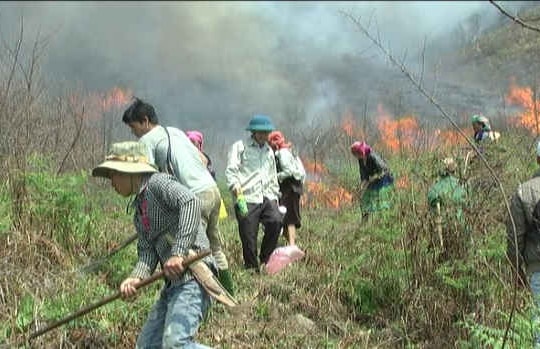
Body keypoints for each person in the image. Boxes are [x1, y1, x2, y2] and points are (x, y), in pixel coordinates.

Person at [92, 141, 213, 348]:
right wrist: (134, 278)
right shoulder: (140, 210)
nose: (112, 183)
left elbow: (191, 202)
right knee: (147, 345)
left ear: (129, 172)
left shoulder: (158, 183)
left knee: (176, 344)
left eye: (114, 175)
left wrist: (178, 252)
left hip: (193, 276)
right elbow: (147, 253)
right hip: (173, 282)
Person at [122, 98, 234, 294]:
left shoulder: (147, 141)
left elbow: (145, 177)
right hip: (212, 189)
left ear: (145, 121)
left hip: (194, 196)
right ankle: (230, 295)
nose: (134, 133)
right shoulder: (174, 132)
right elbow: (202, 158)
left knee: (194, 253)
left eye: (134, 127)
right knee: (214, 248)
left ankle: (204, 298)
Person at [225, 114, 282, 271]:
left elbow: (272, 176)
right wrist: (236, 191)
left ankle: (265, 260)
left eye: (267, 133)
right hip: (246, 197)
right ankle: (251, 268)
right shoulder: (240, 147)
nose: (264, 136)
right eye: (261, 132)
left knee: (276, 221)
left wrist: (275, 198)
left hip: (266, 196)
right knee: (248, 235)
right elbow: (231, 170)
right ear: (253, 132)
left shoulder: (269, 151)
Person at [506, 174, 540, 347]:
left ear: (537, 159)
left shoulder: (523, 192)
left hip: (537, 271)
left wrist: (517, 271)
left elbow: (514, 239)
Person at [268, 130, 305, 246]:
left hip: (290, 187)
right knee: (285, 216)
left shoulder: (282, 153)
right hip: (293, 187)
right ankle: (286, 242)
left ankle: (292, 245)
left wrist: (275, 177)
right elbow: (302, 171)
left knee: (290, 218)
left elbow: (288, 171)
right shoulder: (290, 151)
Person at [427, 157, 468, 256]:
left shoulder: (435, 187)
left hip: (442, 232)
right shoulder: (460, 185)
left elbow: (431, 198)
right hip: (460, 229)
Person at [350, 141, 394, 214]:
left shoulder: (372, 156)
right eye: (355, 155)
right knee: (364, 198)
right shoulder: (360, 160)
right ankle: (365, 220)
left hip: (384, 179)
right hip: (373, 180)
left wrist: (373, 178)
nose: (356, 156)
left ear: (360, 152)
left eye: (356, 154)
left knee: (382, 202)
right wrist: (361, 188)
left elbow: (383, 170)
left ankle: (385, 218)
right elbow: (364, 175)